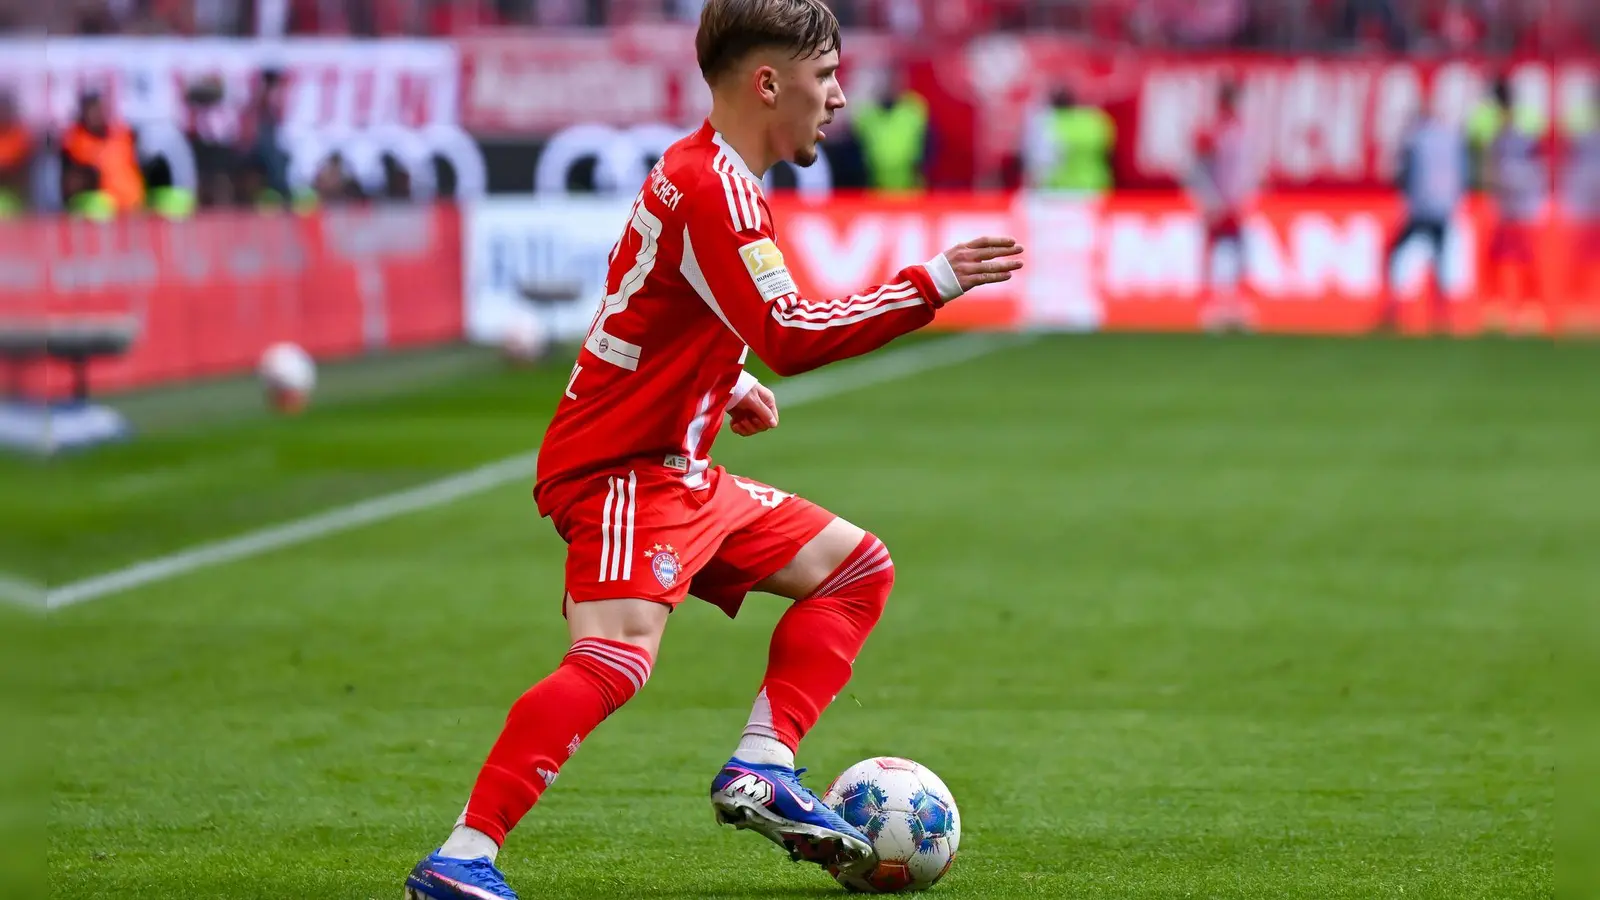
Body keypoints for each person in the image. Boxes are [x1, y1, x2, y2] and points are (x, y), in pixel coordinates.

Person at [403, 2, 1024, 899]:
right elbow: (791, 332)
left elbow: (643, 305)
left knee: (855, 569)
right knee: (615, 658)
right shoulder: (714, 188)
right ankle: (464, 855)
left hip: (682, 469)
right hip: (622, 469)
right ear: (768, 83)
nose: (840, 98)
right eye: (826, 77)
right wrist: (931, 282)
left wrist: (721, 384)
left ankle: (764, 765)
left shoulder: (700, 172)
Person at [1377, 103, 1469, 333]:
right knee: (1440, 261)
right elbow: (1464, 173)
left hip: (1420, 209)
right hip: (1444, 209)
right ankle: (1442, 316)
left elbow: (1401, 173)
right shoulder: (1452, 139)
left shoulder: (1416, 139)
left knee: (1397, 256)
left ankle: (1394, 309)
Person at [1187, 79, 1261, 333]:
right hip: (1218, 204)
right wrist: (1209, 201)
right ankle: (1211, 309)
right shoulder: (1212, 132)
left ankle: (1238, 308)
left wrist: (1248, 196)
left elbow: (1247, 169)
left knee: (1240, 256)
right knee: (1215, 256)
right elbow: (1198, 171)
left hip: (1236, 203)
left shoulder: (1241, 131)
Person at [1481, 77, 1549, 335]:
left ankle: (1530, 309)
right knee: (1498, 253)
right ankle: (1499, 308)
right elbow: (1491, 159)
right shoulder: (1493, 122)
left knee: (1525, 253)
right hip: (1507, 200)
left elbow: (1538, 160)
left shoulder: (1526, 121)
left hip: (1524, 200)